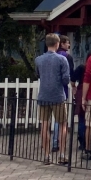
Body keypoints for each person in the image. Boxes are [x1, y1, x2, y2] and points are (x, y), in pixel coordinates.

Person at [34, 33, 71, 166]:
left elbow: (37, 74)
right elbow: (66, 78)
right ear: (57, 44)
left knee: (44, 125)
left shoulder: (38, 59)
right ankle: (62, 155)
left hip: (43, 96)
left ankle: (46, 156)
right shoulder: (62, 59)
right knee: (62, 125)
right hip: (58, 96)